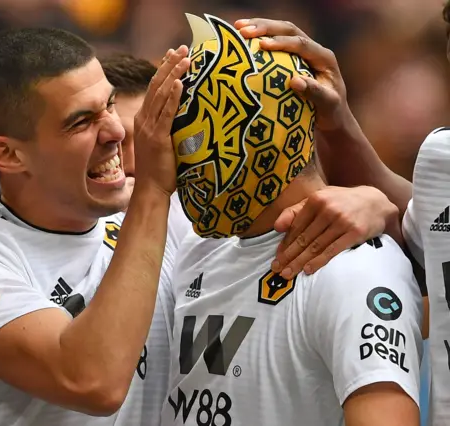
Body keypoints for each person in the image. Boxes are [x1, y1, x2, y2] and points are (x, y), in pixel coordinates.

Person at [0, 27, 401, 426]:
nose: (118, 132)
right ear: (7, 153)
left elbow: (380, 295)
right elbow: (91, 381)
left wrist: (372, 203)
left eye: (110, 105)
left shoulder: (181, 220)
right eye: (80, 121)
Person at [161, 13, 423, 426]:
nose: (176, 161)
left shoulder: (352, 267)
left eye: (190, 139)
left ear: (259, 130)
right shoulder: (194, 248)